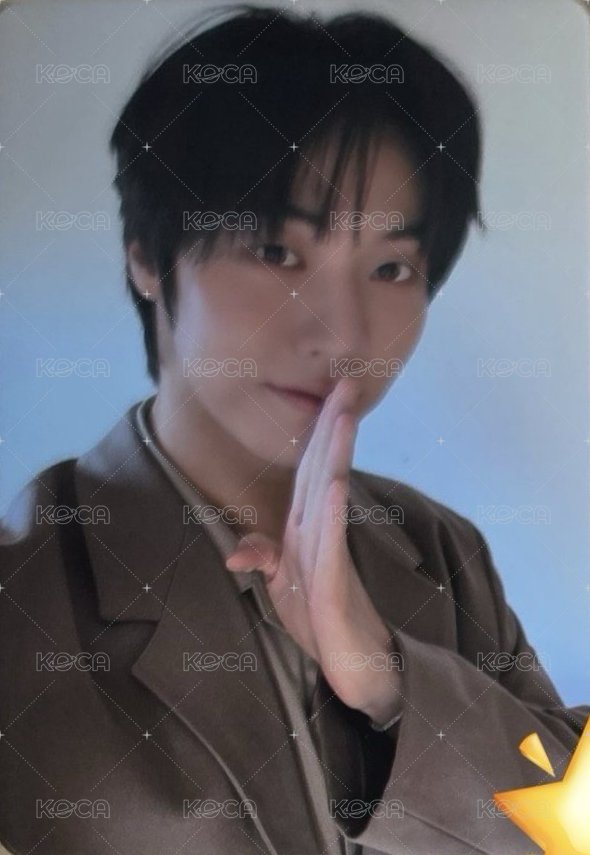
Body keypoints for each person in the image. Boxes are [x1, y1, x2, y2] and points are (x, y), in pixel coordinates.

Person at [1, 5, 587, 854]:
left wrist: (394, 685)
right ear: (146, 255)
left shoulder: (440, 550)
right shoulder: (25, 593)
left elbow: (575, 824)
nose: (343, 334)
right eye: (277, 252)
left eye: (391, 267)